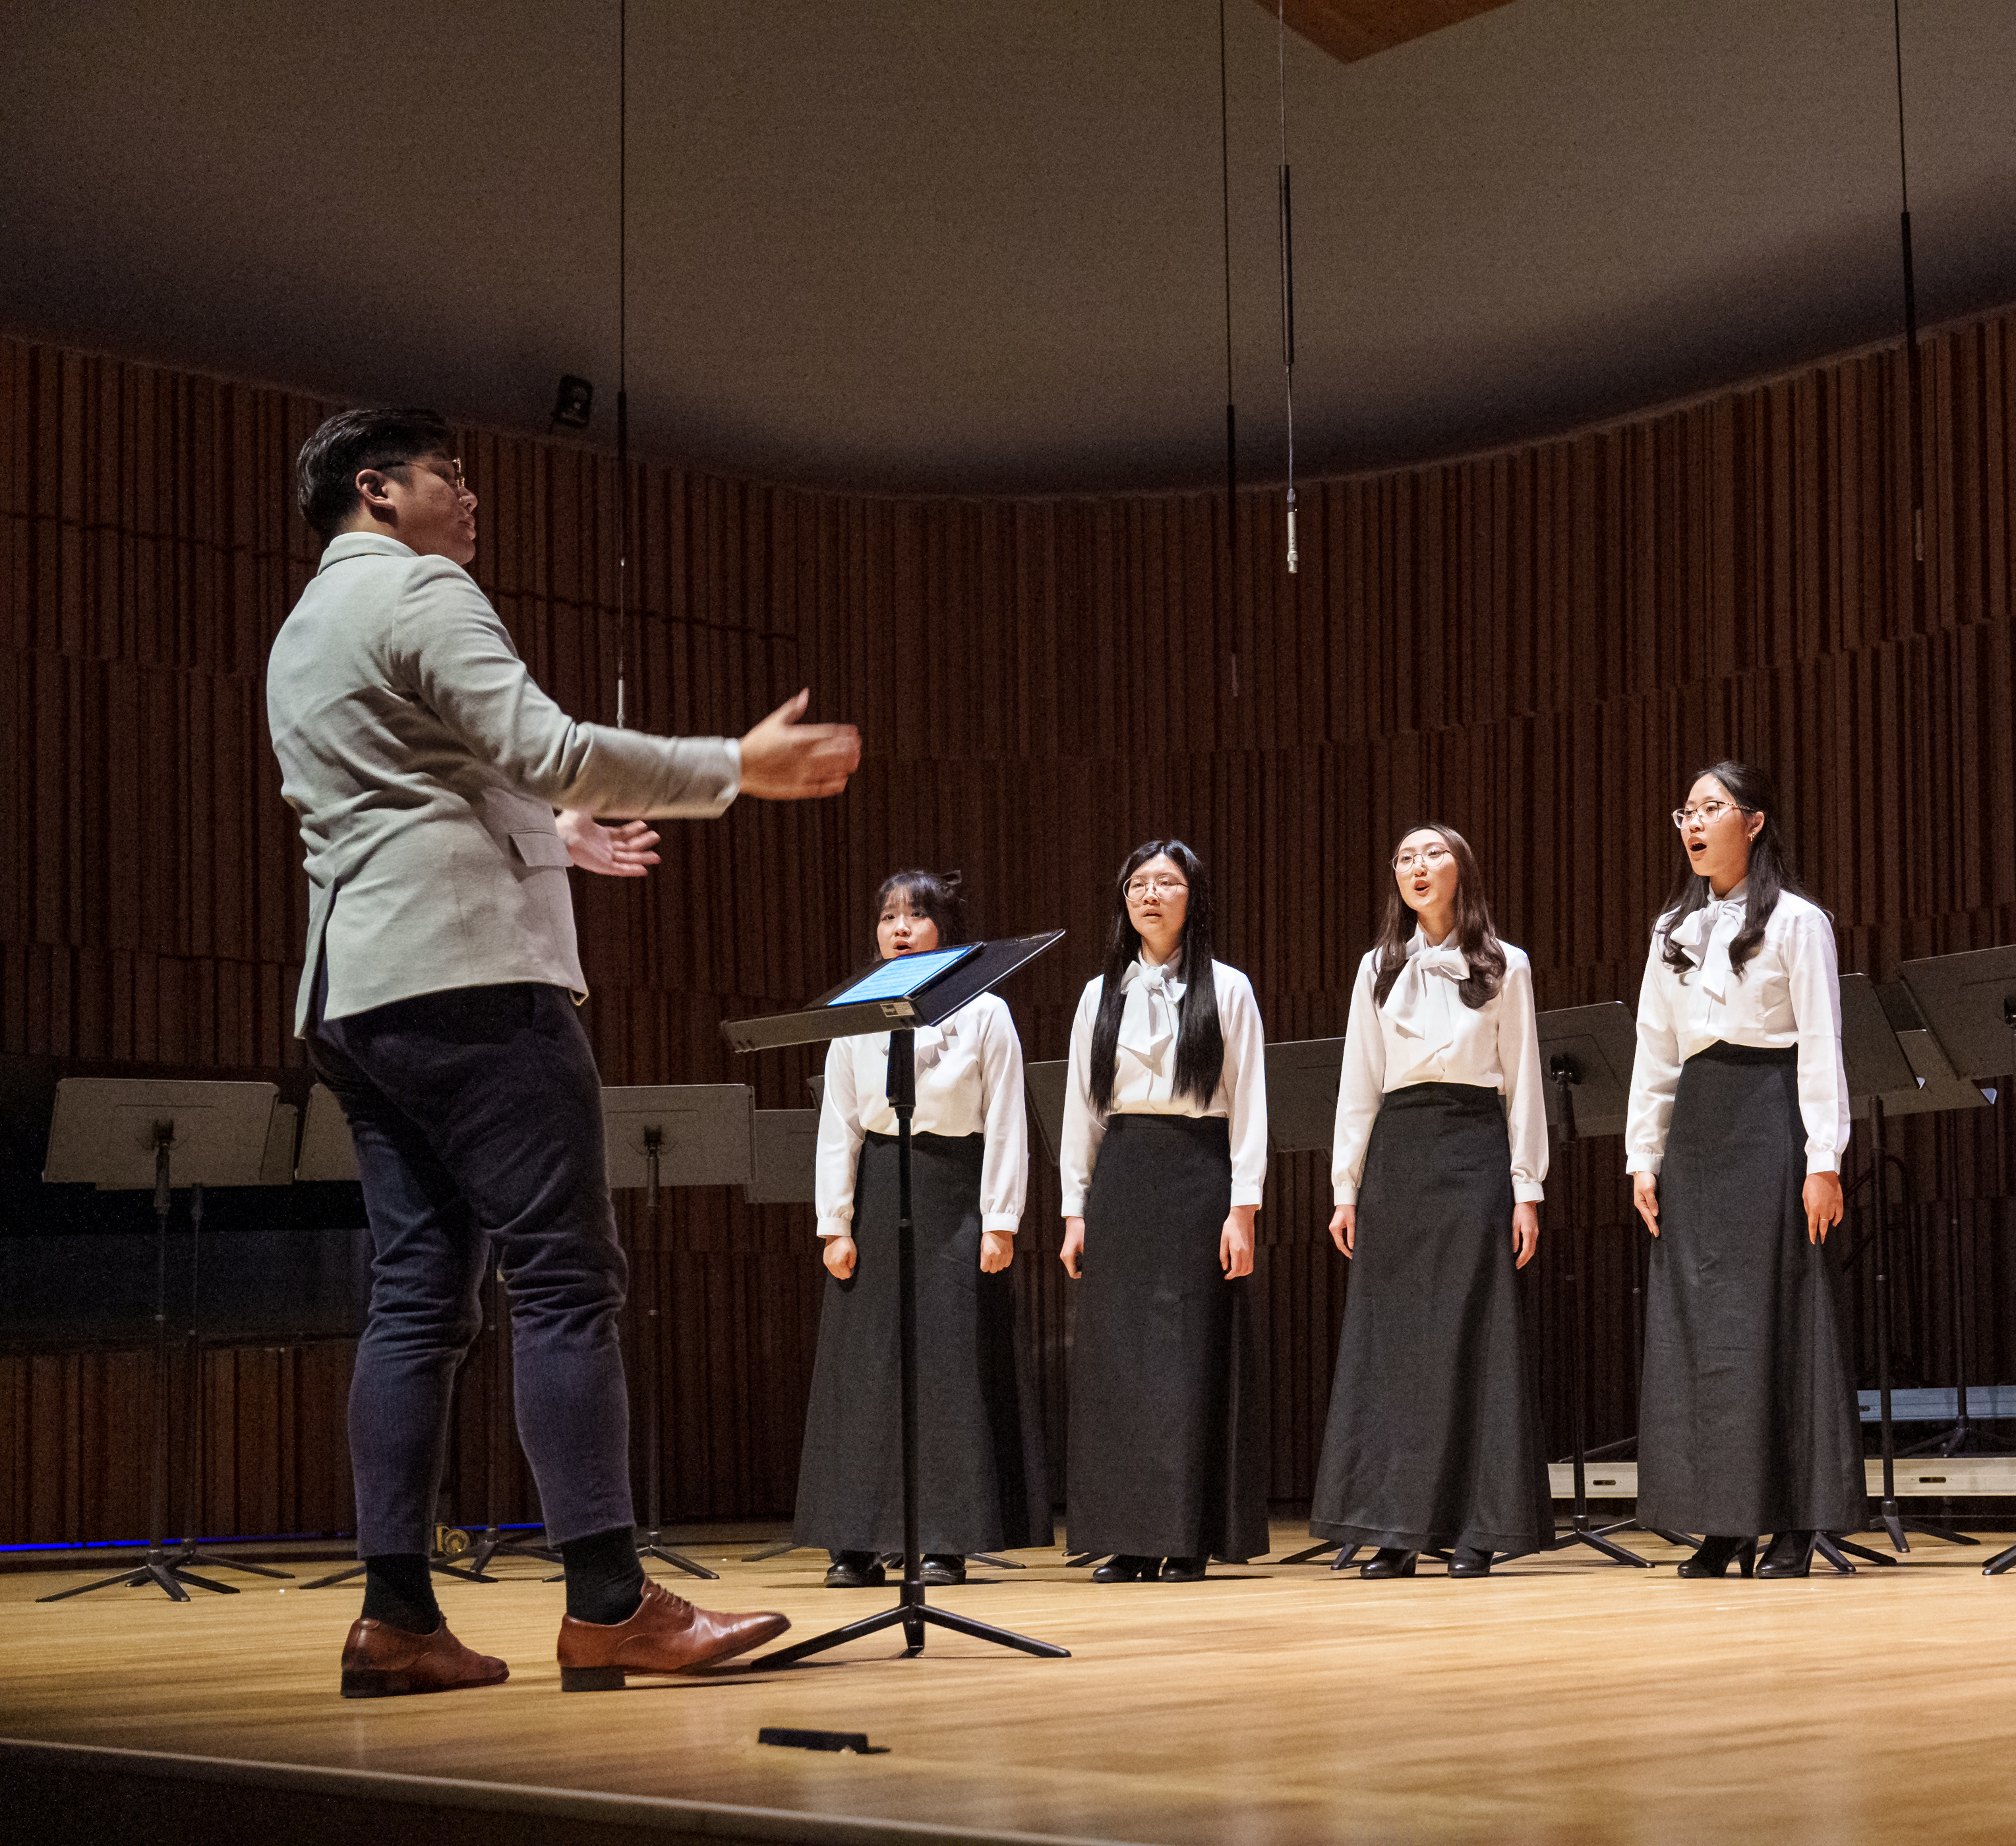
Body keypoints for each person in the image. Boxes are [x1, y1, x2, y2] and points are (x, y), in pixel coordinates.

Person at [266, 406, 858, 1697]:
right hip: (475, 981)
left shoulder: (303, 630)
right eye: (450, 476)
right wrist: (735, 767)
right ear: (379, 488)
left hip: (354, 995)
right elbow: (552, 746)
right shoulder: (425, 588)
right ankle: (607, 1599)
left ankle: (397, 1616)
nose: (471, 500)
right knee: (565, 1280)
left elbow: (414, 785)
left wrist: (552, 834)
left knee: (418, 1297)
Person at [1624, 763, 1862, 1580]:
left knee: (1777, 1314)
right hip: (1698, 1124)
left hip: (1770, 1119)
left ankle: (1794, 1520)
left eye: (1711, 808)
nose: (1693, 823)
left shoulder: (1799, 922)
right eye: (1685, 810)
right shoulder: (1672, 928)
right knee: (1702, 1326)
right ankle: (1722, 1521)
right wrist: (1642, 1156)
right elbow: (1654, 1050)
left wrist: (1824, 1158)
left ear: (1753, 822)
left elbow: (1824, 1043)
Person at [791, 870, 1050, 1590]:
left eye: (915, 915)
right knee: (867, 1367)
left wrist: (1000, 1220)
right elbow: (838, 1123)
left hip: (953, 1190)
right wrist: (833, 1223)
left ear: (946, 928)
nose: (899, 928)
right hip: (879, 1185)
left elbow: (1005, 1123)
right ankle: (858, 1536)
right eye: (888, 917)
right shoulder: (854, 1010)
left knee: (947, 1364)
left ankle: (946, 1535)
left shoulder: (986, 1011)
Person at [1310, 825, 1553, 1579]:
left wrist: (1527, 1187)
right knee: (1398, 1351)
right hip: (1401, 1158)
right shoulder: (1377, 968)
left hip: (1474, 1151)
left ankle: (1478, 1528)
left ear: (1461, 871)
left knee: (1475, 1341)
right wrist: (1345, 1187)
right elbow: (1358, 1083)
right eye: (1406, 858)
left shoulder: (1506, 964)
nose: (1418, 867)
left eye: (1433, 854)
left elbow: (1525, 1085)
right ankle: (1396, 1526)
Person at [1058, 840, 1271, 1582]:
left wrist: (1243, 1208)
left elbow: (1250, 1105)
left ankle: (1186, 1535)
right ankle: (1128, 1535)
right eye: (1138, 883)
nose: (1151, 895)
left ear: (1193, 898)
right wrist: (1073, 1208)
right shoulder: (1099, 993)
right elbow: (1083, 1110)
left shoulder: (1230, 989)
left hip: (1197, 1176)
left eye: (1167, 883)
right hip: (1123, 1176)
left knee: (1187, 1360)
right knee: (1119, 1366)